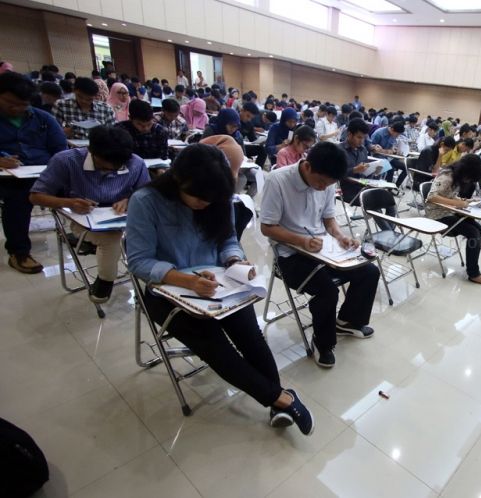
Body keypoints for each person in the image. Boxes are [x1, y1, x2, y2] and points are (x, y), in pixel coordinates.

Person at [125, 143, 314, 434]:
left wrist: (234, 260)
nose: (205, 204)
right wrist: (187, 280)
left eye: (212, 200)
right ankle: (282, 399)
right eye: (199, 198)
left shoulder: (217, 198)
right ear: (178, 179)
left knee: (251, 335)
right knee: (216, 345)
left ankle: (278, 401)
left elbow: (227, 240)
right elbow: (139, 261)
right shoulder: (146, 201)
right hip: (167, 291)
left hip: (219, 283)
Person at [260, 142, 380, 369]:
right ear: (307, 166)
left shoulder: (327, 182)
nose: (323, 188)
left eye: (329, 185)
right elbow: (267, 227)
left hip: (322, 248)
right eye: (321, 182)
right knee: (327, 290)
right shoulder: (277, 180)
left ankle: (347, 321)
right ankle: (323, 343)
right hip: (289, 255)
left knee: (369, 271)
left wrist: (340, 236)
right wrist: (301, 241)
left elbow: (328, 219)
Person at [30, 126, 149, 302]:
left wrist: (129, 199)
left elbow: (146, 193)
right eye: (104, 166)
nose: (110, 171)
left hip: (121, 218)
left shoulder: (135, 163)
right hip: (81, 218)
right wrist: (69, 203)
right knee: (111, 238)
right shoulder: (66, 160)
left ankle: (155, 287)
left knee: (158, 230)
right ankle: (105, 282)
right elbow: (35, 196)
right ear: (91, 151)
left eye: (116, 167)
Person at [0, 72, 68, 274]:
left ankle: (84, 233)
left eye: (23, 104)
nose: (17, 108)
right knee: (19, 199)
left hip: (43, 173)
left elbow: (61, 152)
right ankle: (19, 252)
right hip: (7, 178)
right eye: (10, 103)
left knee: (81, 187)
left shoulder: (43, 119)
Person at [425, 154, 481, 285]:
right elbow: (431, 197)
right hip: (436, 216)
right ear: (465, 171)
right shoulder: (447, 176)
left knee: (480, 230)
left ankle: (473, 268)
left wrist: (465, 201)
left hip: (448, 212)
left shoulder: (457, 176)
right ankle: (474, 274)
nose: (468, 181)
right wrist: (458, 203)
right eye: (469, 177)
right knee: (473, 233)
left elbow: (450, 196)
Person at [338, 118, 396, 231]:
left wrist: (374, 172)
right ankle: (390, 235)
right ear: (349, 134)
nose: (361, 141)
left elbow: (365, 174)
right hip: (348, 191)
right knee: (374, 204)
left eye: (364, 138)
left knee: (390, 201)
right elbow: (334, 174)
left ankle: (390, 233)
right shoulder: (339, 150)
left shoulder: (363, 150)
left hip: (364, 186)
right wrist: (354, 170)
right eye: (359, 137)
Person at [369, 121, 406, 188]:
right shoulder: (379, 133)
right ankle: (389, 189)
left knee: (405, 168)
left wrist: (394, 150)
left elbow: (392, 147)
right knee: (391, 169)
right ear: (392, 129)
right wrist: (386, 151)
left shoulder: (393, 135)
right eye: (397, 134)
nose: (397, 136)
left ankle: (396, 187)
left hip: (388, 157)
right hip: (377, 158)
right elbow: (371, 149)